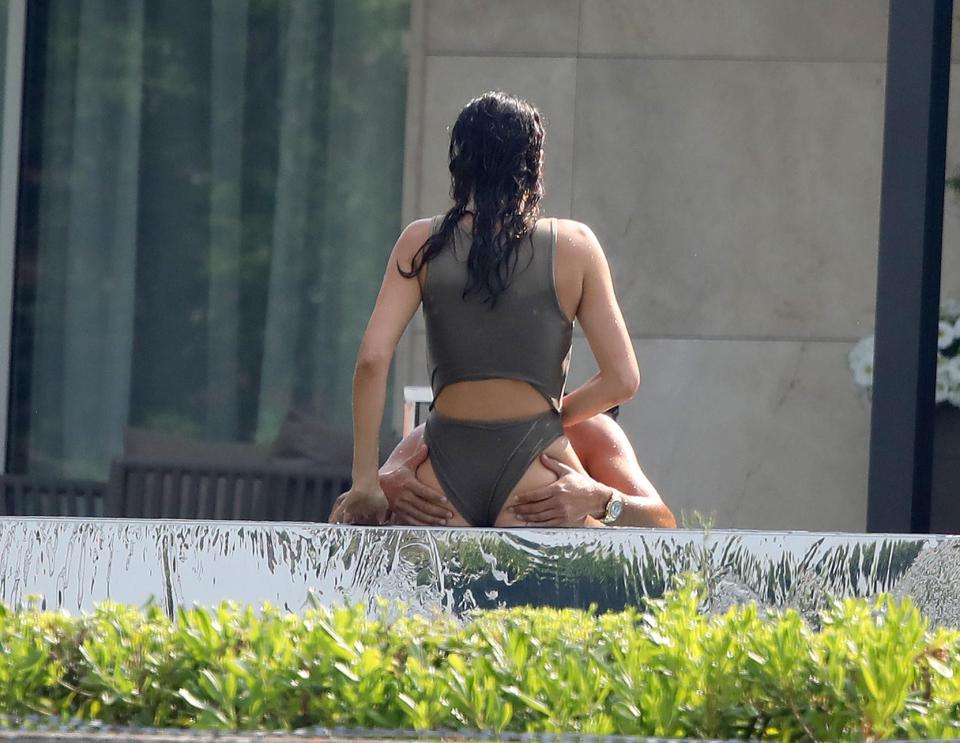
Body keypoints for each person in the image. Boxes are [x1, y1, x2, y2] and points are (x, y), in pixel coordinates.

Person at [333, 91, 640, 527]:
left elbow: (371, 360)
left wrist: (366, 482)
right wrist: (550, 417)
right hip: (538, 468)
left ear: (461, 163)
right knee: (571, 594)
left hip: (438, 474)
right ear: (533, 164)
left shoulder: (421, 242)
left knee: (416, 598)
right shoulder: (576, 246)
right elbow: (622, 379)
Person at [330, 407, 676, 527]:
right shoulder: (432, 438)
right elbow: (338, 521)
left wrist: (600, 500)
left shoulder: (587, 431)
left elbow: (663, 522)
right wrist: (376, 490)